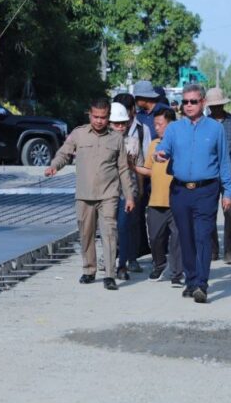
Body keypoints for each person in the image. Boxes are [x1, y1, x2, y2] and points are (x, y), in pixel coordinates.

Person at [154, 84, 231, 304]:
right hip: (180, 190)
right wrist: (159, 155)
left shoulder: (215, 129)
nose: (188, 105)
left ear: (203, 103)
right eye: (185, 102)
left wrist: (228, 191)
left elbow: (224, 162)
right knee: (186, 237)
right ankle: (190, 281)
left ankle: (201, 284)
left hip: (206, 190)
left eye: (193, 101)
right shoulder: (174, 128)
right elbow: (163, 148)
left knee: (203, 236)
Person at [45, 99, 134, 291]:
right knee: (86, 234)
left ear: (108, 117)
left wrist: (129, 196)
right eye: (96, 117)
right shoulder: (79, 134)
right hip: (84, 195)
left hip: (109, 194)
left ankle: (109, 274)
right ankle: (89, 270)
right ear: (89, 115)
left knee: (109, 234)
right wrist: (54, 166)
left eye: (103, 117)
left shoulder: (116, 139)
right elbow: (64, 154)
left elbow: (123, 169)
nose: (99, 121)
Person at [138, 107, 184, 285]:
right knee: (155, 237)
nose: (156, 127)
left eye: (160, 124)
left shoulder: (181, 144)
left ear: (171, 125)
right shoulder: (154, 144)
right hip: (156, 200)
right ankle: (159, 264)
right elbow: (149, 170)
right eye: (155, 124)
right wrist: (132, 166)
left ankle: (177, 273)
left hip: (177, 200)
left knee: (177, 239)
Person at [109, 101, 146, 280]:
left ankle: (124, 263)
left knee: (125, 227)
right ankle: (109, 260)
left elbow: (139, 167)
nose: (120, 127)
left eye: (123, 123)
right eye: (116, 124)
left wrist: (139, 189)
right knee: (109, 228)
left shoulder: (133, 142)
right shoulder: (103, 143)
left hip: (127, 192)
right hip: (107, 192)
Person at [206, 87, 231, 263]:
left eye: (218, 105)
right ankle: (213, 249)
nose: (216, 108)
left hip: (229, 171)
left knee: (230, 212)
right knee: (209, 212)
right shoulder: (204, 123)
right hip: (210, 172)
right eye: (213, 106)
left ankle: (229, 252)